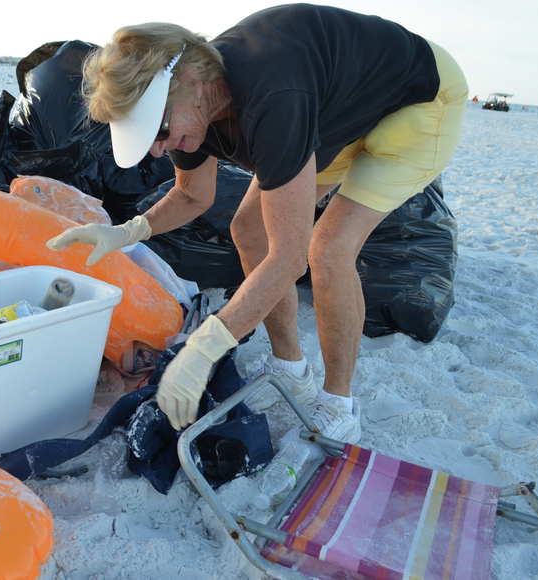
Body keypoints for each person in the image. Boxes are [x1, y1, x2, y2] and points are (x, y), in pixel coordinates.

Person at [47, 4, 467, 444]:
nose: (157, 150)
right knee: (248, 228)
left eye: (159, 130)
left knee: (327, 248)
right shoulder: (192, 107)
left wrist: (206, 347)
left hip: (419, 101)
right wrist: (125, 232)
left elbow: (288, 259)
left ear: (191, 79)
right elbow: (193, 195)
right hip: (342, 111)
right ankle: (291, 370)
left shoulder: (272, 95)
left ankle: (339, 403)